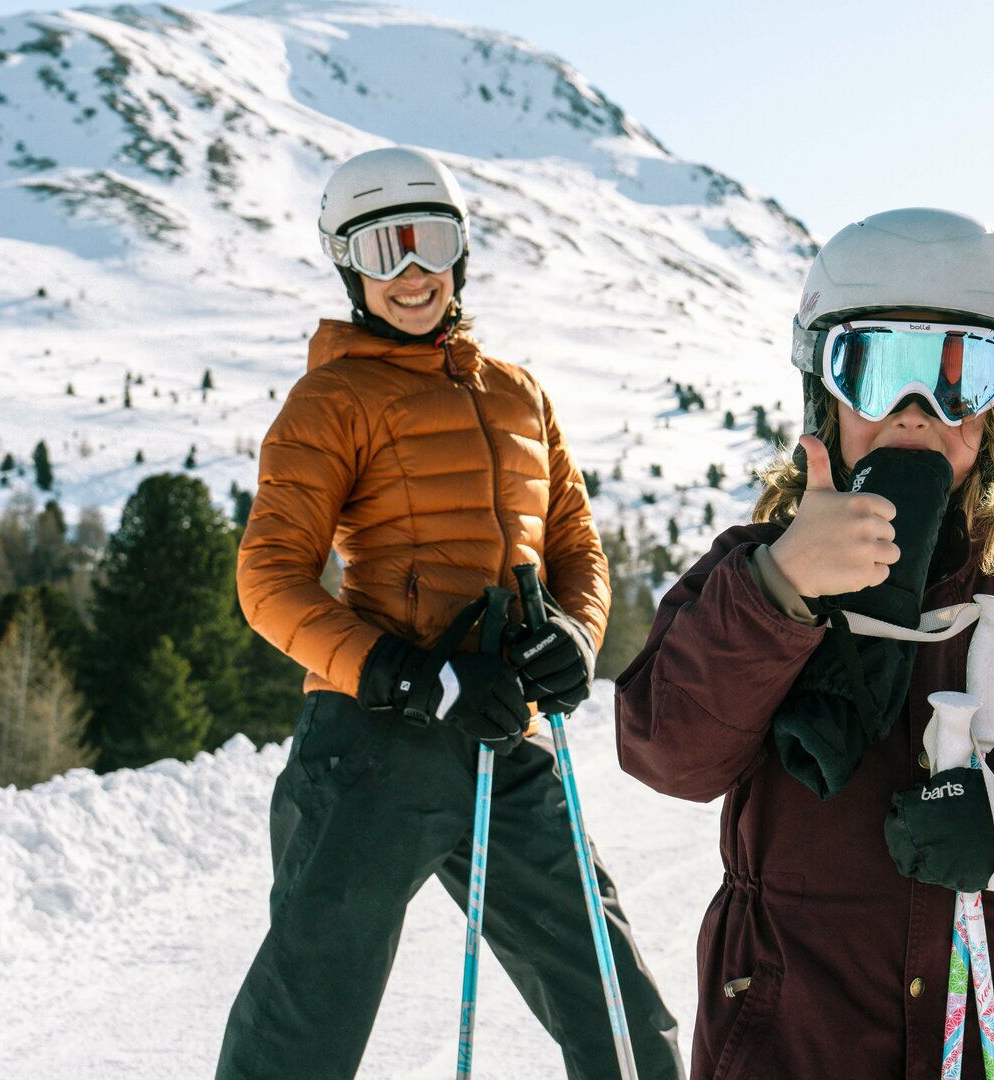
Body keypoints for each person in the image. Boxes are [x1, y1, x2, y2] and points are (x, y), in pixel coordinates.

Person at [613, 209, 994, 1077]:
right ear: (823, 390)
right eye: (874, 369)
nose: (915, 413)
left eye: (962, 376)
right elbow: (668, 754)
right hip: (796, 1039)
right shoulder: (748, 577)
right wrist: (781, 588)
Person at [217, 147, 683, 1079]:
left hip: (506, 739)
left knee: (614, 1004)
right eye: (381, 251)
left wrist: (575, 638)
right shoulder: (332, 399)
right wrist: (408, 672)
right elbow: (269, 579)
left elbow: (575, 549)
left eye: (430, 242)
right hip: (372, 743)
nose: (411, 272)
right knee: (304, 1024)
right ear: (347, 266)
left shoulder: (518, 393)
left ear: (462, 251)